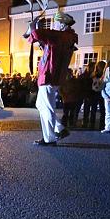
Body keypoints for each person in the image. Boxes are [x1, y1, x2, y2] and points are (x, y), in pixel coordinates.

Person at [26, 11, 78, 145]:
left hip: (48, 76)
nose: (53, 25)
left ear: (61, 24)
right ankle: (56, 131)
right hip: (55, 77)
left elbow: (35, 35)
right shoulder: (68, 37)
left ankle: (53, 135)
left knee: (47, 107)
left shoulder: (59, 36)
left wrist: (33, 26)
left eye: (55, 22)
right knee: (41, 105)